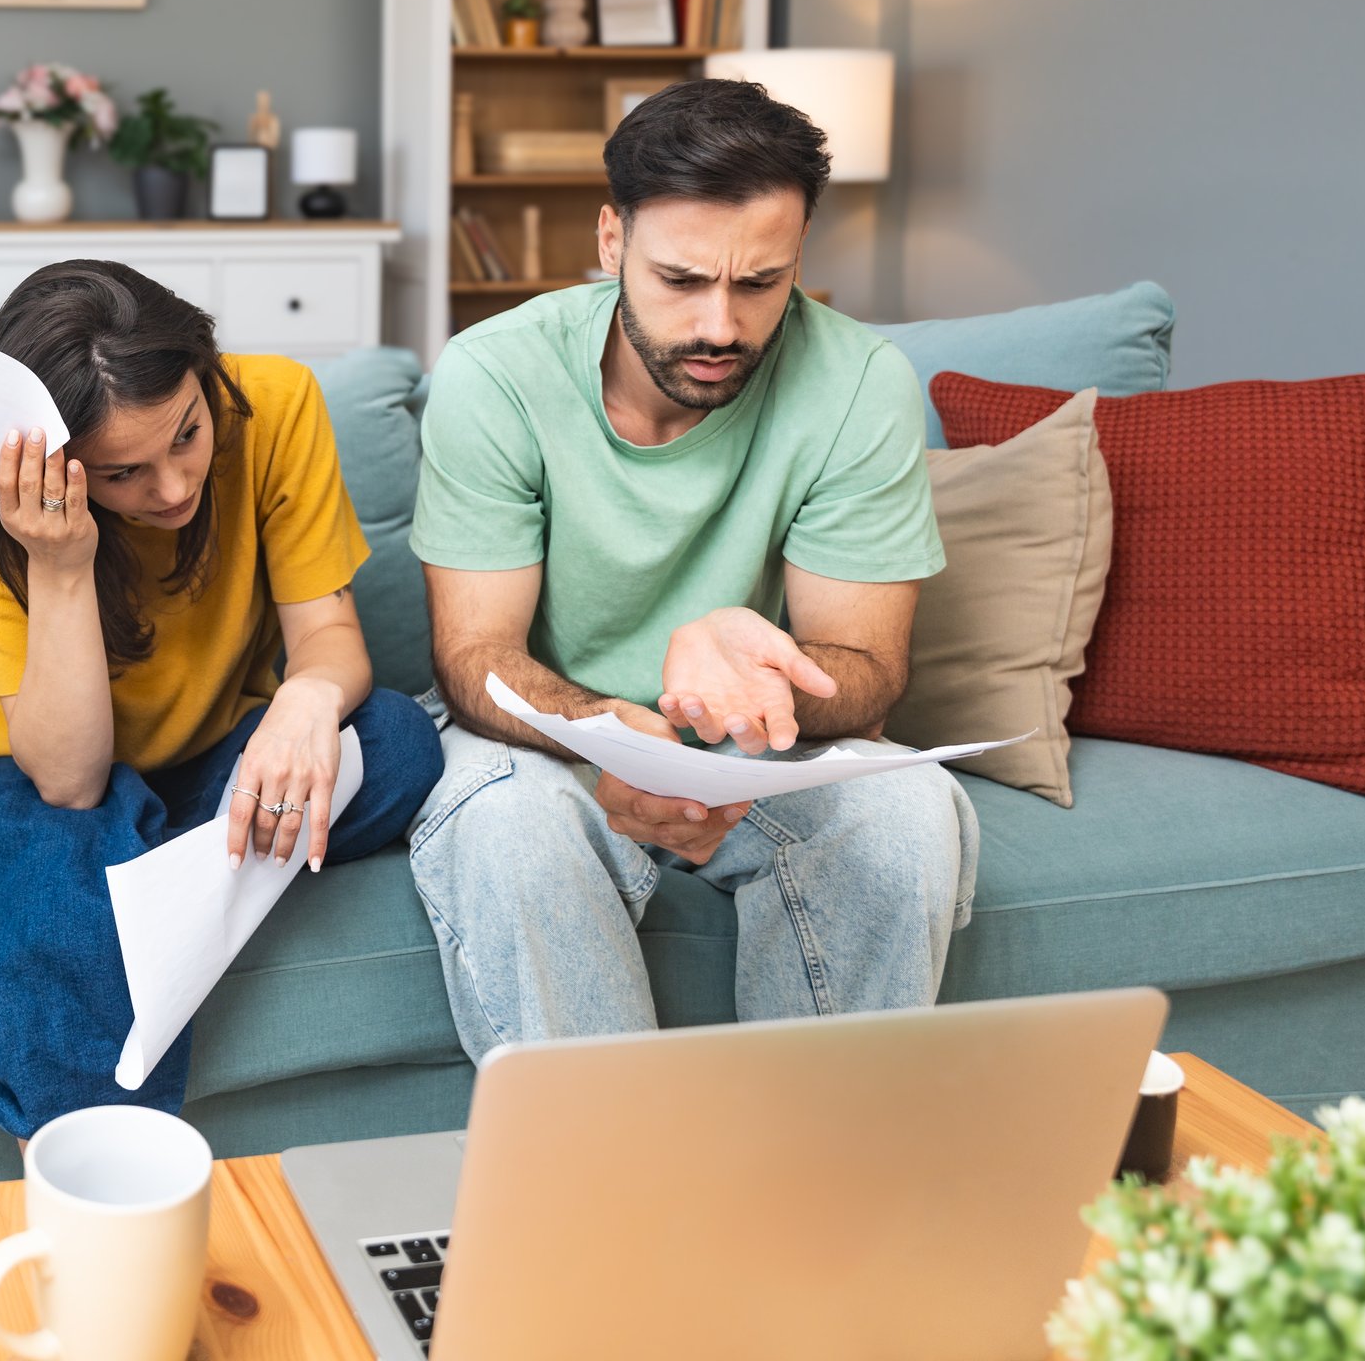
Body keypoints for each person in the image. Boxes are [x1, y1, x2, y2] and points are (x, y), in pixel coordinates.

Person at [406, 78, 978, 1061]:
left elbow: (872, 677)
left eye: (761, 284)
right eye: (680, 280)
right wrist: (616, 741)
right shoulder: (496, 373)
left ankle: (816, 1187)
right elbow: (475, 656)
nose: (721, 325)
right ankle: (611, 1195)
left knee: (905, 808)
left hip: (754, 742)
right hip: (545, 741)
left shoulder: (859, 381)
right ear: (611, 243)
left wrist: (761, 664)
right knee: (509, 831)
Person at [0, 259, 444, 1139]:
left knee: (398, 739)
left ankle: (130, 869)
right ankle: (113, 1190)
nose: (171, 487)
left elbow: (330, 640)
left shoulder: (274, 403)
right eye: (122, 473)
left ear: (206, 377)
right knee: (53, 868)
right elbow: (69, 780)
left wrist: (306, 703)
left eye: (186, 434)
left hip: (217, 758)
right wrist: (60, 567)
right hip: (40, 775)